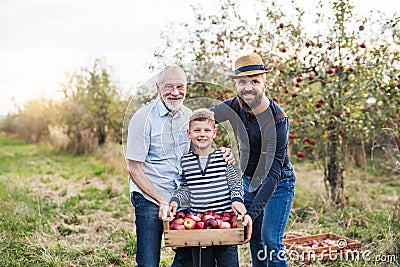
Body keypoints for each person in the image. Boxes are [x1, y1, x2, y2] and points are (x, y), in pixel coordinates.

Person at [125, 66, 234, 267]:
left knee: (188, 259)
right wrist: (161, 201)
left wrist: (222, 153)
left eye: (180, 87)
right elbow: (134, 168)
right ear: (158, 88)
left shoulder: (189, 117)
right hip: (150, 195)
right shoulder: (142, 118)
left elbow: (201, 149)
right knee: (148, 261)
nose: (175, 92)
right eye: (169, 87)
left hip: (182, 196)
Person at [211, 53, 296, 267]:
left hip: (277, 182)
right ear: (235, 84)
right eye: (242, 82)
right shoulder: (234, 106)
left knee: (270, 239)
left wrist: (252, 211)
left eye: (254, 81)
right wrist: (173, 111)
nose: (248, 88)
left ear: (265, 84)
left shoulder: (277, 120)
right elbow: (202, 119)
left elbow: (274, 171)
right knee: (254, 239)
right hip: (249, 179)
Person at [169, 108, 253, 267]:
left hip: (225, 224)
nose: (202, 134)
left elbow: (235, 183)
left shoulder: (223, 158)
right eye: (197, 130)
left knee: (228, 262)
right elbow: (185, 188)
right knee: (202, 263)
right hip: (198, 225)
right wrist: (175, 201)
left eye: (207, 130)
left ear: (214, 133)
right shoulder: (185, 161)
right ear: (189, 133)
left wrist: (236, 200)